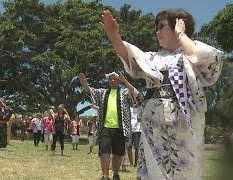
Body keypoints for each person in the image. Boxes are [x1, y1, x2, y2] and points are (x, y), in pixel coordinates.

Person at [101, 8, 223, 179]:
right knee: (153, 170)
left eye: (161, 26)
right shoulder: (153, 58)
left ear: (178, 25)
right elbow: (129, 55)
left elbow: (207, 60)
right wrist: (113, 34)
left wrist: (181, 35)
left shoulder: (190, 51)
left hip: (184, 125)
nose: (157, 32)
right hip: (153, 125)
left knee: (186, 170)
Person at [78, 71, 140, 180]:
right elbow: (90, 91)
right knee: (104, 152)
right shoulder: (103, 92)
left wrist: (125, 81)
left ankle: (116, 174)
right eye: (110, 78)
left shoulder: (125, 93)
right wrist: (83, 83)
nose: (112, 80)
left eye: (114, 78)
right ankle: (105, 175)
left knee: (117, 153)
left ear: (119, 80)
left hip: (121, 128)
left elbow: (137, 95)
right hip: (105, 127)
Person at [121, 105, 141, 171]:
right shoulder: (128, 108)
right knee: (128, 147)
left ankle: (136, 163)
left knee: (137, 147)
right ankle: (131, 163)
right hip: (129, 130)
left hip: (138, 130)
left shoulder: (140, 108)